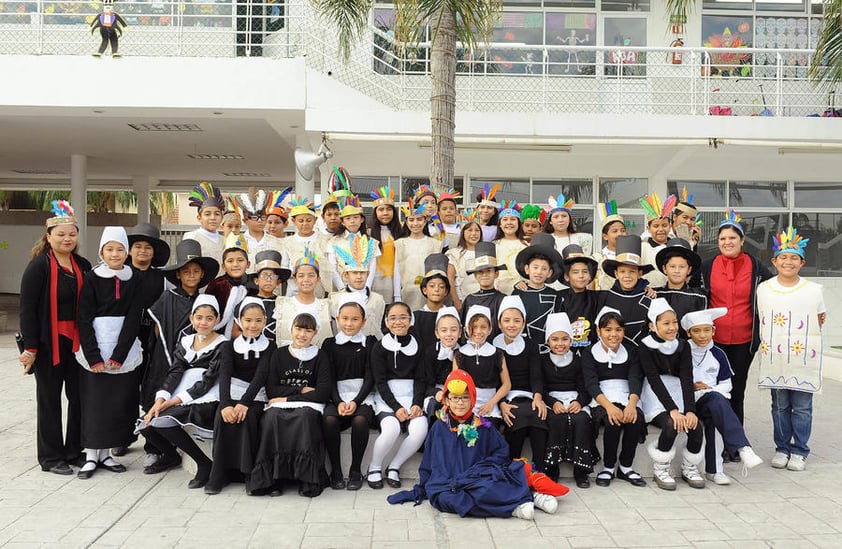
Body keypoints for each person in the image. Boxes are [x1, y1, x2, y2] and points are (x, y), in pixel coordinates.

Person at [387, 369, 567, 520]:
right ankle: (514, 508)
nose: (460, 403)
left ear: (472, 399)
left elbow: (501, 452)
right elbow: (429, 461)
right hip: (448, 482)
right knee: (446, 500)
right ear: (447, 400)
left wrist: (480, 470)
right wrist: (426, 485)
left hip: (478, 478)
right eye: (455, 398)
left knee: (488, 487)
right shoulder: (439, 427)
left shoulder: (484, 426)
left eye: (465, 398)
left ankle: (534, 497)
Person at [19, 201, 91, 475]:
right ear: (49, 237)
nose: (67, 238)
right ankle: (50, 457)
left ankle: (74, 451)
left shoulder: (82, 265)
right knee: (49, 400)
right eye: (61, 234)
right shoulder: (38, 267)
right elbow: (27, 311)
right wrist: (31, 348)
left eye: (71, 234)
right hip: (49, 344)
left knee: (79, 398)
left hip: (77, 342)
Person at [75, 226, 145, 479]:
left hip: (123, 348)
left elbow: (134, 317)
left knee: (116, 403)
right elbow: (83, 319)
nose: (115, 254)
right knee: (94, 402)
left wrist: (120, 354)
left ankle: (107, 454)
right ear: (101, 252)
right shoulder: (91, 278)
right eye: (110, 249)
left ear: (126, 252)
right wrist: (93, 356)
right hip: (95, 345)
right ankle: (91, 455)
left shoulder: (134, 278)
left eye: (120, 249)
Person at [756, 226, 826, 472]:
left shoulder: (813, 290)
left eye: (793, 257)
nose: (788, 261)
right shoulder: (764, 289)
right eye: (783, 257)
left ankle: (800, 450)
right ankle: (782, 447)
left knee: (803, 407)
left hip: (802, 360)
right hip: (777, 358)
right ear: (774, 261)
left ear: (802, 262)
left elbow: (819, 318)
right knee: (780, 406)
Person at [700, 211, 773, 440]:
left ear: (742, 240)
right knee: (714, 390)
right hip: (713, 341)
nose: (727, 242)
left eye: (732, 238)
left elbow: (776, 291)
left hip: (744, 340)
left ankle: (735, 440)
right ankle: (715, 440)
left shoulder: (756, 266)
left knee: (736, 389)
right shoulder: (707, 266)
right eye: (723, 238)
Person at [142, 295, 226, 488]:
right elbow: (175, 372)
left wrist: (174, 402)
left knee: (163, 422)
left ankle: (204, 464)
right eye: (199, 317)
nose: (203, 322)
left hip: (204, 397)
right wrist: (161, 399)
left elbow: (208, 381)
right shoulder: (186, 341)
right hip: (179, 393)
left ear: (218, 320)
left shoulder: (223, 344)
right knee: (147, 424)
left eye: (209, 318)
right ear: (191, 318)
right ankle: (171, 456)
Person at [249, 313, 331, 497]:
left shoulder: (320, 356)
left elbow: (322, 392)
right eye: (299, 329)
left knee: (304, 418)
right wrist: (302, 390)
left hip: (309, 407)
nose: (302, 334)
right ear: (291, 329)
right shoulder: (278, 354)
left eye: (308, 331)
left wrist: (287, 397)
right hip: (278, 405)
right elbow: (272, 389)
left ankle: (305, 479)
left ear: (315, 332)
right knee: (271, 418)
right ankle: (275, 479)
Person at [682, 307, 763, 485]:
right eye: (696, 331)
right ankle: (742, 446)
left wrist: (710, 388)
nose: (702, 335)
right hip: (686, 402)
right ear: (688, 332)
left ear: (713, 331)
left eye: (706, 330)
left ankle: (715, 471)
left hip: (710, 400)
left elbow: (727, 384)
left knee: (716, 410)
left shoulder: (718, 354)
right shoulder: (681, 351)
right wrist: (692, 386)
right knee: (718, 405)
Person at [638, 299, 705, 491]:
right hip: (655, 393)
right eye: (666, 323)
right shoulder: (645, 346)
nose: (672, 327)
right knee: (671, 423)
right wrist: (673, 410)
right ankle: (661, 467)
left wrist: (689, 410)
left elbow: (686, 377)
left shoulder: (683, 345)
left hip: (678, 390)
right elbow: (653, 379)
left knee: (695, 426)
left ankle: (689, 467)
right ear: (652, 326)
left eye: (674, 322)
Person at [582, 307, 647, 488]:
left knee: (635, 419)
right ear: (598, 331)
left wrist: (632, 404)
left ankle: (626, 467)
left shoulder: (631, 351)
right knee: (613, 420)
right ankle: (609, 467)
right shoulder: (589, 353)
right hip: (601, 398)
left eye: (618, 330)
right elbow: (591, 384)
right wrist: (609, 407)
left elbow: (635, 378)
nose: (613, 334)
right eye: (608, 330)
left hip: (627, 396)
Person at [368, 302, 429, 489]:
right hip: (388, 399)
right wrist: (396, 408)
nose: (398, 322)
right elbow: (380, 382)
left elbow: (421, 378)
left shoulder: (418, 345)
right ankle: (374, 467)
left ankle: (394, 466)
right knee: (391, 429)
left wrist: (417, 403)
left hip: (412, 397)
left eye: (403, 317)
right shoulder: (379, 347)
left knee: (420, 429)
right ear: (386, 322)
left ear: (411, 320)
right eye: (392, 318)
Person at [321, 294, 377, 491]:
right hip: (336, 396)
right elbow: (329, 378)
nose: (349, 323)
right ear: (337, 319)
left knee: (360, 420)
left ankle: (355, 470)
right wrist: (337, 402)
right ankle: (336, 471)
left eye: (355, 319)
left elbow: (371, 377)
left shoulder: (370, 343)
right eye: (345, 318)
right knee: (329, 420)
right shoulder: (329, 344)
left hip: (362, 396)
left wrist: (356, 400)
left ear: (364, 321)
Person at [493, 296, 548, 471]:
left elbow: (536, 377)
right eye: (507, 320)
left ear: (524, 322)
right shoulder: (492, 346)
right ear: (499, 323)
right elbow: (492, 379)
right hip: (503, 397)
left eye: (517, 320)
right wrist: (501, 404)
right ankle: (514, 468)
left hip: (529, 395)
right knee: (519, 416)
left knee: (539, 415)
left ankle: (540, 470)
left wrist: (538, 398)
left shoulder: (531, 346)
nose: (512, 325)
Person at [541, 312, 594, 488]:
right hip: (552, 401)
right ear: (548, 341)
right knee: (556, 420)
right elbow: (541, 387)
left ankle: (581, 470)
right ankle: (552, 468)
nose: (560, 344)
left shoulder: (579, 360)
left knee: (582, 420)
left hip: (574, 399)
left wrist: (579, 402)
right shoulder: (543, 360)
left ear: (571, 340)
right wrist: (553, 403)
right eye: (555, 339)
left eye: (564, 339)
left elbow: (586, 387)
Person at [454, 305, 511, 427]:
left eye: (483, 327)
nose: (478, 331)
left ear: (490, 329)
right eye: (474, 327)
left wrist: (492, 403)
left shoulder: (497, 353)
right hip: (465, 404)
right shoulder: (459, 354)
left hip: (490, 404)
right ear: (466, 329)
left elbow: (506, 384)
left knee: (487, 432)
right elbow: (455, 383)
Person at [328, 234, 385, 340]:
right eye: (354, 273)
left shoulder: (378, 300)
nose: (359, 277)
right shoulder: (335, 299)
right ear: (346, 275)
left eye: (362, 273)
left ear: (367, 274)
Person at [600, 235, 655, 345]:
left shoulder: (650, 297)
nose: (627, 276)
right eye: (622, 271)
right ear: (616, 274)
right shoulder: (605, 298)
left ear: (640, 274)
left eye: (632, 271)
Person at [274, 248, 333, 347]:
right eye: (301, 276)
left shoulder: (327, 306)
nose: (306, 280)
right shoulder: (283, 304)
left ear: (318, 279)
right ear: (295, 279)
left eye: (311, 275)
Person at [513, 232, 564, 343]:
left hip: (546, 346)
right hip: (522, 345)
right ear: (527, 269)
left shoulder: (555, 295)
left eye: (544, 269)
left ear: (550, 272)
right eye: (535, 267)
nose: (539, 272)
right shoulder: (518, 293)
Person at [394, 196, 443, 310]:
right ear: (406, 222)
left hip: (429, 293)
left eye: (419, 219)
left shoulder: (435, 244)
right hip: (407, 291)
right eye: (411, 220)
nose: (415, 223)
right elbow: (396, 271)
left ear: (425, 221)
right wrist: (397, 295)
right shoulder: (400, 244)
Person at [282, 196, 334, 297]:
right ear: (294, 221)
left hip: (318, 291)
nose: (305, 224)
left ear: (315, 220)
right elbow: (284, 267)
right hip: (294, 291)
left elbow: (330, 266)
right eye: (301, 221)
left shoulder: (325, 240)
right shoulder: (288, 242)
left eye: (309, 220)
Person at [653, 238, 707, 332]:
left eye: (682, 267)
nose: (677, 271)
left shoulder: (699, 296)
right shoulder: (655, 294)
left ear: (689, 270)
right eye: (672, 266)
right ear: (664, 268)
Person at [328, 196, 380, 291]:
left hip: (365, 290)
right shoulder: (333, 242)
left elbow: (372, 269)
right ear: (342, 222)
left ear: (362, 219)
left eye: (356, 217)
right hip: (341, 290)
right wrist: (343, 289)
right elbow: (332, 269)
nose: (352, 221)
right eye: (348, 218)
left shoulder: (372, 242)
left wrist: (366, 289)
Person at [205, 233, 251, 338]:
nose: (235, 264)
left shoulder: (253, 285)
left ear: (248, 264)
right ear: (223, 266)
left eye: (240, 260)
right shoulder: (216, 286)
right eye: (230, 261)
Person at [460, 241, 507, 340]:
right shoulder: (470, 299)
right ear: (476, 276)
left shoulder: (503, 299)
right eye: (480, 272)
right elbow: (463, 327)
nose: (484, 275)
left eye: (489, 271)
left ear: (496, 274)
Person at [558, 244, 600, 352]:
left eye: (585, 272)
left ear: (590, 276)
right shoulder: (558, 297)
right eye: (575, 272)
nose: (581, 276)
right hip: (564, 352)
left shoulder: (598, 297)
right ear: (567, 276)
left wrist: (646, 288)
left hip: (591, 352)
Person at [423, 306, 462, 419]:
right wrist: (437, 393)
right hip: (435, 393)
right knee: (435, 406)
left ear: (460, 332)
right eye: (444, 330)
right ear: (437, 333)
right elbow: (426, 383)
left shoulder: (463, 352)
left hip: (457, 393)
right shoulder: (430, 353)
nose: (449, 334)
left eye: (453, 330)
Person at [235, 187, 284, 270]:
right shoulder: (237, 242)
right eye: (254, 217)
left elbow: (282, 264)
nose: (260, 221)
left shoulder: (276, 242)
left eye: (263, 217)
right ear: (245, 220)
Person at [368, 186, 402, 304]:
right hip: (373, 285)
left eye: (389, 209)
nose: (385, 213)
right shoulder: (368, 234)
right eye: (381, 209)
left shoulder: (400, 233)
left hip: (395, 286)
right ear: (375, 212)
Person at [183, 181, 226, 268]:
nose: (213, 218)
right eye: (207, 214)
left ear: (222, 217)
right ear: (199, 218)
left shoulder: (224, 240)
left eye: (217, 214)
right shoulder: (192, 237)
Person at [638, 192, 677, 288]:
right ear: (648, 228)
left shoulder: (675, 247)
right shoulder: (641, 248)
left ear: (670, 226)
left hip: (671, 293)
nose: (661, 230)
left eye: (664, 225)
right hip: (646, 292)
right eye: (656, 226)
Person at [411, 254, 451, 348]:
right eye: (432, 286)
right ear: (424, 290)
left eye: (441, 286)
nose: (436, 290)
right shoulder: (416, 316)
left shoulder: (451, 314)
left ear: (446, 291)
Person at [446, 215, 482, 312]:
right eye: (470, 230)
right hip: (463, 300)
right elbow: (450, 279)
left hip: (484, 300)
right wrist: (456, 301)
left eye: (477, 230)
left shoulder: (485, 252)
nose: (474, 233)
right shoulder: (454, 254)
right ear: (463, 233)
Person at [493, 200, 528, 295]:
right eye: (505, 219)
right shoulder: (494, 245)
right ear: (500, 225)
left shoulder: (526, 245)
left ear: (518, 223)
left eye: (513, 219)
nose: (509, 222)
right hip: (499, 292)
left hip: (523, 290)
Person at [592, 200, 628, 290]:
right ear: (605, 236)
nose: (620, 234)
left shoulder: (631, 256)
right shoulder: (597, 258)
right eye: (614, 231)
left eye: (622, 230)